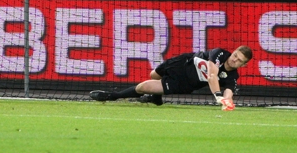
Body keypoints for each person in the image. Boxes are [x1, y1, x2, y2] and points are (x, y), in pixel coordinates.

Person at [89, 46, 253, 110]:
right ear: (232, 52)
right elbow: (212, 74)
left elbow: (229, 92)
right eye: (235, 55)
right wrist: (218, 95)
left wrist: (227, 102)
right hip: (182, 63)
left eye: (239, 60)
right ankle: (156, 99)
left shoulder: (232, 76)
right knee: (153, 74)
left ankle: (112, 96)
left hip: (184, 83)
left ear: (243, 65)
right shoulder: (220, 54)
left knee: (142, 87)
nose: (234, 60)